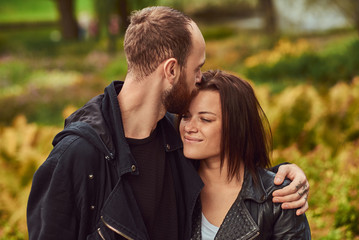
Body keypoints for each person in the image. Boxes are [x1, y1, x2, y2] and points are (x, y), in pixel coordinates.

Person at [27, 6, 309, 240]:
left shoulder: (175, 140)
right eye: (196, 68)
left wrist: (284, 178)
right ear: (171, 69)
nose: (200, 79)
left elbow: (228, 171)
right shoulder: (77, 156)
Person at [179, 70, 311, 239]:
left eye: (205, 119)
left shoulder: (280, 198)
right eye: (185, 116)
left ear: (237, 126)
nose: (189, 127)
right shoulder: (173, 186)